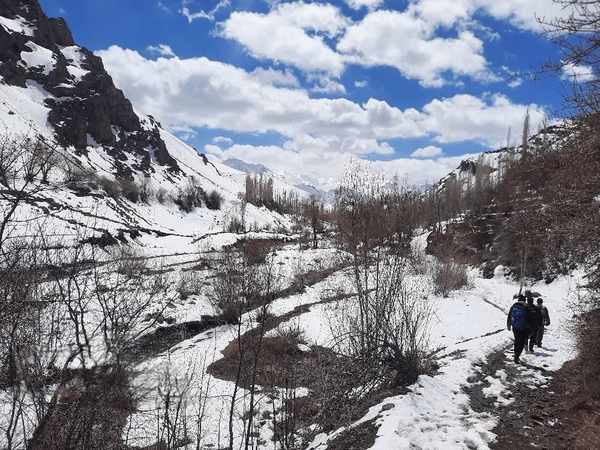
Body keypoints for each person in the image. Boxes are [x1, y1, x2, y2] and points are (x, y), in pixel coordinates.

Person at [507, 295, 531, 363]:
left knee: (517, 341)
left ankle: (515, 355)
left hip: (515, 327)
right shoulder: (526, 306)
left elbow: (509, 315)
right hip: (523, 328)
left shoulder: (514, 306)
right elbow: (529, 318)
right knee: (521, 342)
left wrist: (509, 324)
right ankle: (517, 356)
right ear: (524, 300)